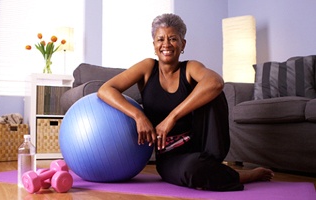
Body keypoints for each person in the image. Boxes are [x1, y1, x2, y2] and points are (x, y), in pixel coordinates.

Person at [97, 13, 274, 191]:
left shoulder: (190, 68)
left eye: (173, 38)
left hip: (204, 144)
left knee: (212, 91)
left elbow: (216, 82)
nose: (166, 44)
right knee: (192, 171)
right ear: (154, 45)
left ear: (183, 44)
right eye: (160, 39)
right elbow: (106, 89)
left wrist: (171, 117)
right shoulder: (147, 68)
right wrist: (138, 115)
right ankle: (240, 175)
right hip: (170, 155)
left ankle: (217, 167)